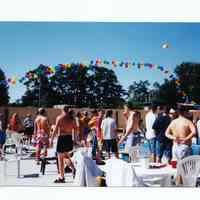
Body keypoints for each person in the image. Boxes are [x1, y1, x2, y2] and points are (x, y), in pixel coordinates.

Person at [50, 106, 76, 183]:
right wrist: (74, 139)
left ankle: (62, 177)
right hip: (69, 138)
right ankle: (73, 169)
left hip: (62, 138)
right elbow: (75, 129)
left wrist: (51, 140)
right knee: (66, 156)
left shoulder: (60, 117)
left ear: (62, 109)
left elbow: (55, 129)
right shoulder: (72, 119)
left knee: (60, 158)